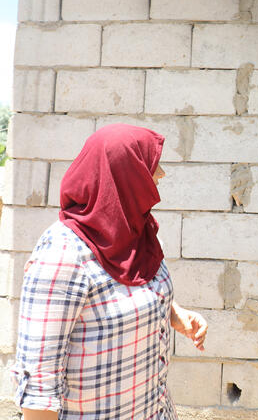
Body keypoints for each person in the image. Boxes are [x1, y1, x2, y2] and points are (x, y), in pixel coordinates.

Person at [11, 124, 207, 419]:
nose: (161, 174)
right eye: (151, 165)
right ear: (125, 175)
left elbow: (129, 284)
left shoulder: (137, 234)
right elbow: (39, 386)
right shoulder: (62, 256)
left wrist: (171, 311)